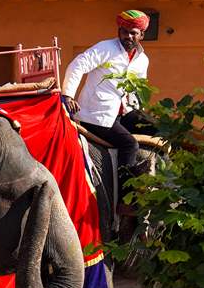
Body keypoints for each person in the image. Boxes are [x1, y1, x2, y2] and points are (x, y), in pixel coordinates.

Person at [62, 10, 153, 171]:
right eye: (125, 32)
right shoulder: (106, 48)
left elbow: (138, 89)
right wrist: (68, 96)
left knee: (157, 129)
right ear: (119, 31)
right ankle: (126, 190)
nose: (128, 36)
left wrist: (140, 111)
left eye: (133, 33)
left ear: (142, 35)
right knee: (130, 145)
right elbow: (78, 65)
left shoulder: (142, 60)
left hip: (123, 113)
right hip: (96, 115)